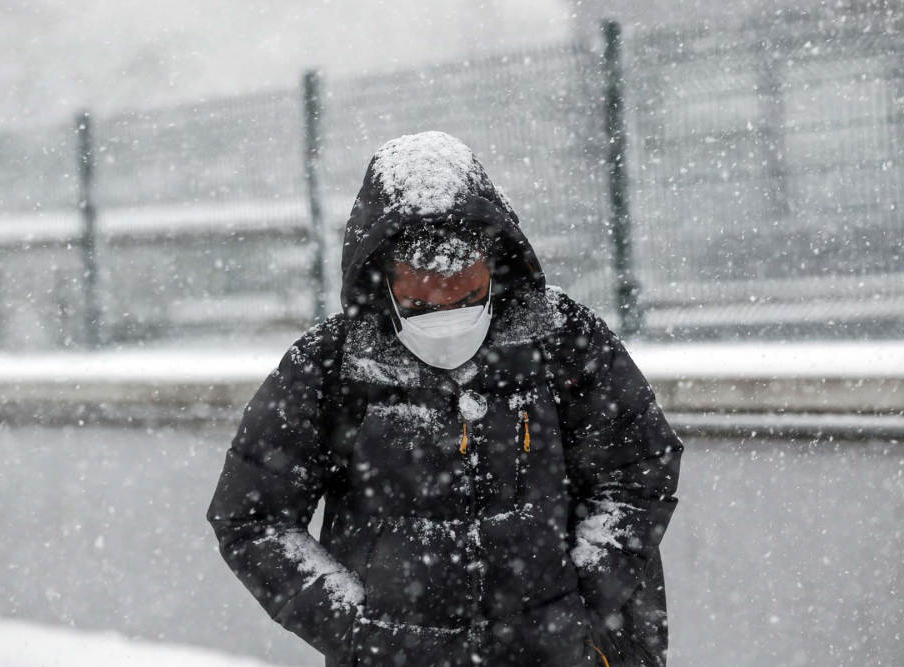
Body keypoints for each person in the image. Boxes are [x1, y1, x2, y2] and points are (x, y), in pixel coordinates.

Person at [206, 130, 684, 666]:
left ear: (495, 262)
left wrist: (582, 604)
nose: (445, 317)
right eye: (418, 300)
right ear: (379, 275)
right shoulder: (329, 366)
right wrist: (360, 631)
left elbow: (638, 470)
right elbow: (252, 519)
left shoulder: (560, 338)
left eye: (465, 294)